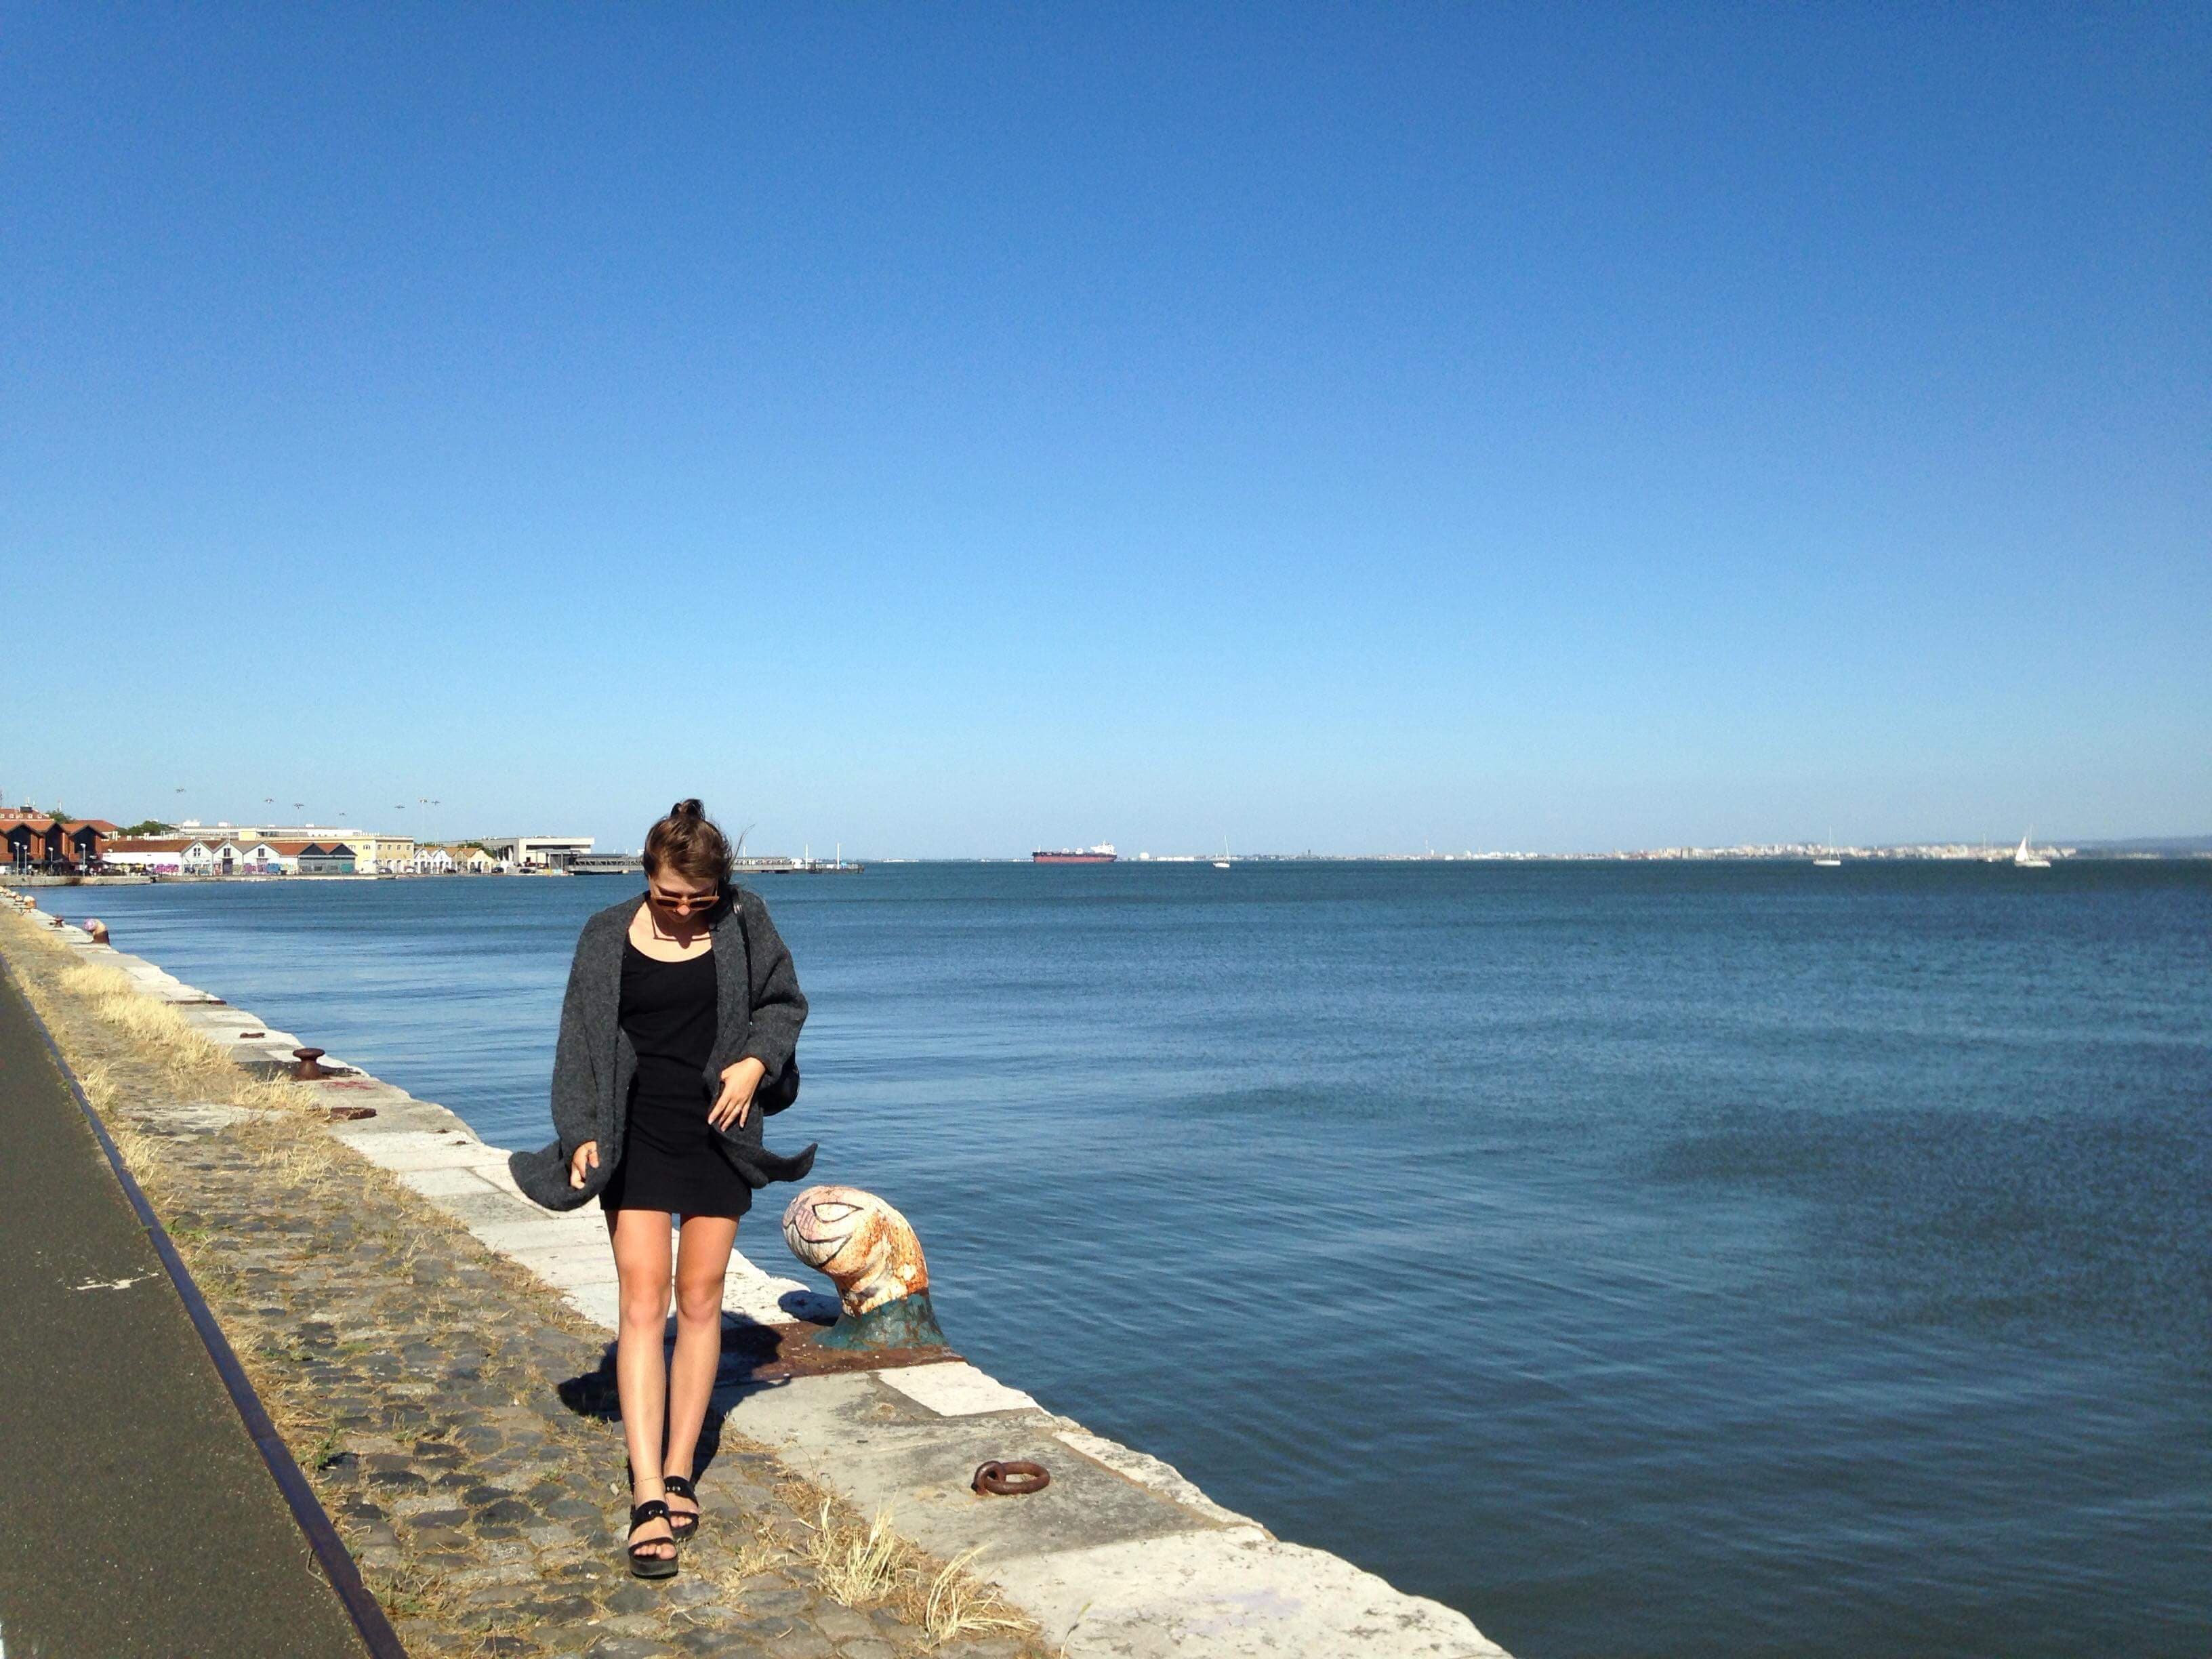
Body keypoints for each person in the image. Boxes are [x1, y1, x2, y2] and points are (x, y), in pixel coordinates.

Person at [509, 800, 815, 1579]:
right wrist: (581, 1130)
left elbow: (783, 1005)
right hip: (635, 1131)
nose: (682, 913)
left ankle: (681, 1471)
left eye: (697, 899)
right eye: (667, 896)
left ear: (719, 886)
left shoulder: (746, 920)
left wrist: (754, 1062)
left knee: (701, 1298)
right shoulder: (604, 933)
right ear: (646, 876)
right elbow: (579, 1042)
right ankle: (647, 1492)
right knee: (643, 1301)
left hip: (719, 1129)